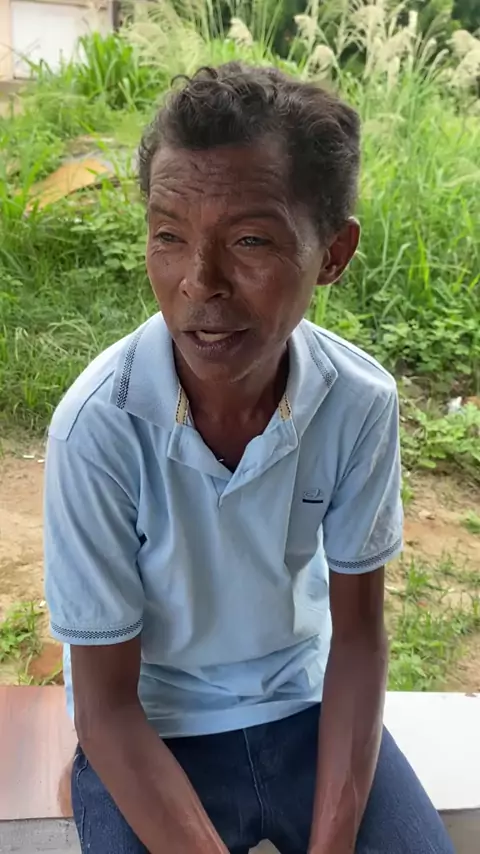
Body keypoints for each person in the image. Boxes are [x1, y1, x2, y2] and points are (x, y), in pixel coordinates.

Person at [44, 64, 454, 854]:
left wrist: (333, 842)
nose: (200, 283)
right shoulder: (98, 428)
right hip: (154, 730)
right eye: (168, 236)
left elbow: (358, 637)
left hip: (305, 712)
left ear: (333, 254)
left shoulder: (357, 403)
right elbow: (106, 706)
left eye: (250, 241)